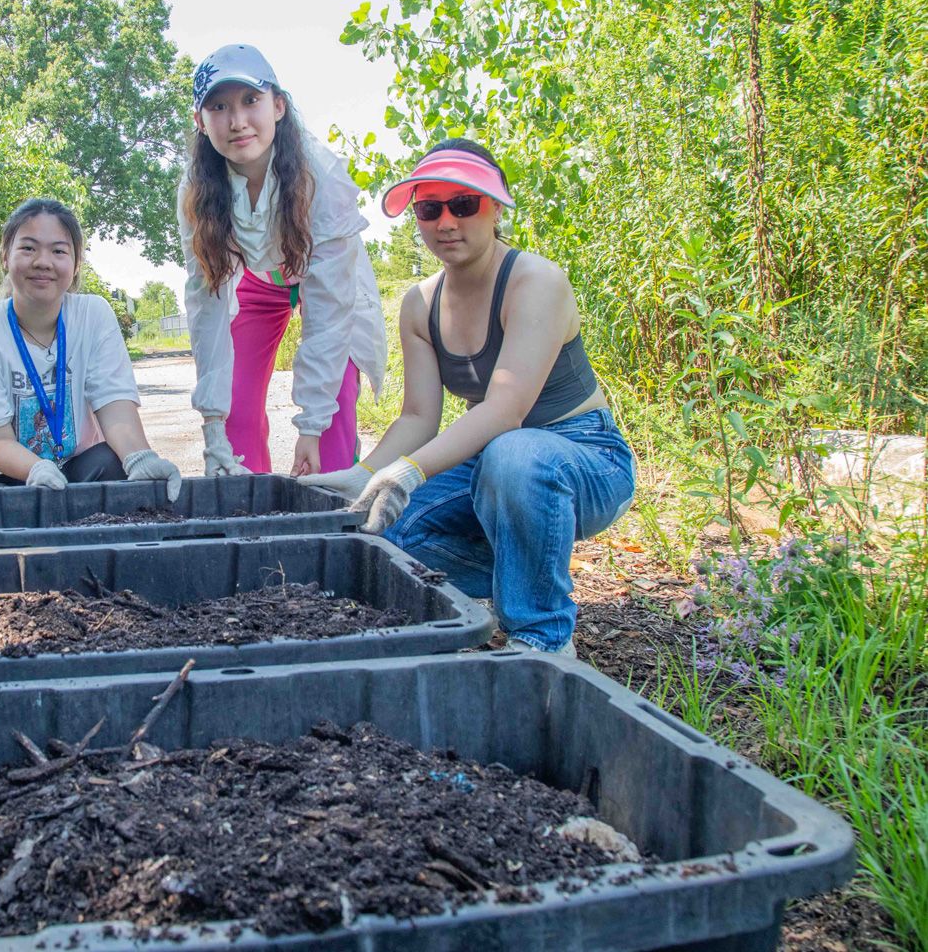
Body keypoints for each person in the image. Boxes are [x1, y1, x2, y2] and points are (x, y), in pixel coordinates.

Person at [299, 140, 635, 656]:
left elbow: (506, 410)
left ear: (496, 206)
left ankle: (542, 637)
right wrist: (366, 476)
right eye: (430, 209)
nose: (446, 223)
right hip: (493, 462)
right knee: (383, 536)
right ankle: (520, 574)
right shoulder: (420, 304)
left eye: (464, 204)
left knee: (515, 453)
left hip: (582, 455)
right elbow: (418, 417)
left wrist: (411, 472)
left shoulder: (536, 281)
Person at [179, 44, 388, 478]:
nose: (237, 122)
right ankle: (247, 516)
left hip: (323, 278)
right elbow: (207, 304)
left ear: (278, 105)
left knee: (330, 426)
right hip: (256, 283)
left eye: (250, 101)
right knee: (233, 417)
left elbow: (329, 314)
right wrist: (213, 423)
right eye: (218, 107)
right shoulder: (195, 192)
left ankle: (331, 518)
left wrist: (310, 426)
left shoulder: (322, 177)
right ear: (200, 122)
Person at [0, 198, 182, 499]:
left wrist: (139, 457)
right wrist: (36, 469)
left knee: (114, 463)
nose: (43, 261)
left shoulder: (93, 315)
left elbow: (114, 404)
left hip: (71, 465)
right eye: (28, 248)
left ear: (76, 264)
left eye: (58, 251)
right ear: (5, 257)